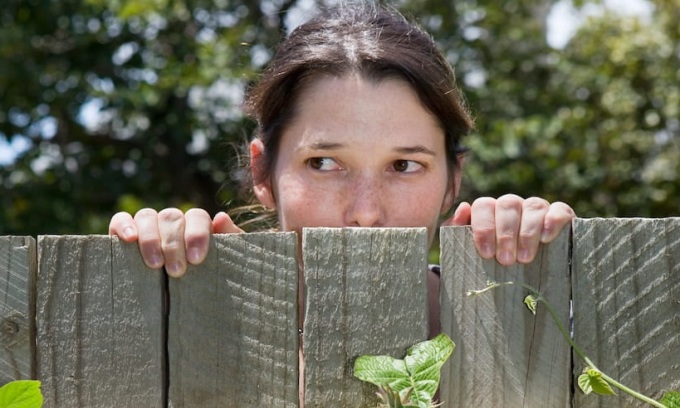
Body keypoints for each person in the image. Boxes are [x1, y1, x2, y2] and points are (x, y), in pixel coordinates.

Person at [109, 4, 574, 329]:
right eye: (325, 162)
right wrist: (151, 285)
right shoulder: (186, 320)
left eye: (405, 165)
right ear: (262, 174)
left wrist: (555, 269)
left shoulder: (526, 312)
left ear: (452, 181)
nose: (366, 213)